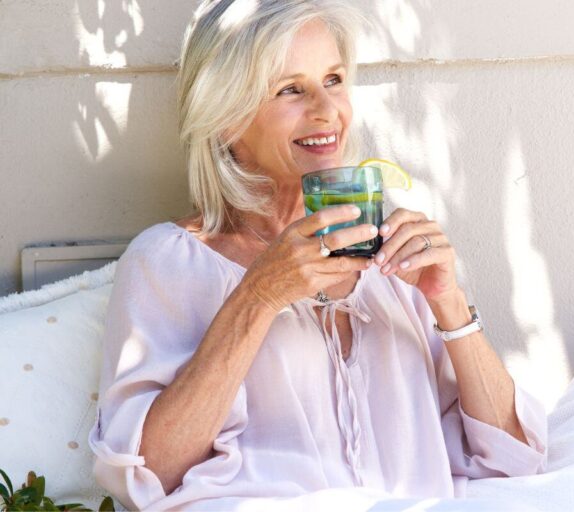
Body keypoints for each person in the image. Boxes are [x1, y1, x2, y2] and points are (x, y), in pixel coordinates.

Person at [88, 0, 547, 509]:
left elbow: (517, 457)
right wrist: (258, 297)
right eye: (290, 89)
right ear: (225, 120)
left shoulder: (393, 259)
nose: (327, 110)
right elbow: (148, 477)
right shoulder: (168, 261)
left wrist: (450, 303)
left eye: (333, 80)